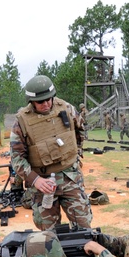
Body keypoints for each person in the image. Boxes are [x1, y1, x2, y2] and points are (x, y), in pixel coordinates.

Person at [10, 75, 92, 230]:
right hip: (43, 184)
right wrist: (36, 180)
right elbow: (17, 159)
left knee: (84, 228)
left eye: (49, 99)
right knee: (48, 235)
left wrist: (76, 155)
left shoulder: (66, 108)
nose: (46, 104)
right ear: (31, 101)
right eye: (41, 101)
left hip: (71, 178)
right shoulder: (21, 121)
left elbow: (80, 130)